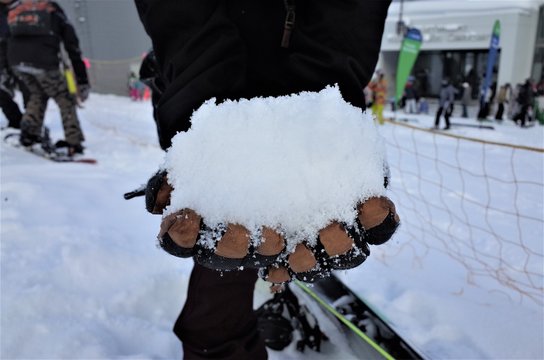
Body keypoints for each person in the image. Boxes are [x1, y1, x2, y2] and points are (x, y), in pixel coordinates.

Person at [133, 1, 394, 359]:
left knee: (266, 255)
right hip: (213, 112)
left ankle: (273, 291)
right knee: (218, 301)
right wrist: (205, 112)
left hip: (309, 106)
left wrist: (326, 112)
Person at [5, 0, 90, 155]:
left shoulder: (21, 11)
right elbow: (73, 47)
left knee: (38, 93)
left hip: (16, 62)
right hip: (43, 62)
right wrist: (83, 80)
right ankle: (73, 142)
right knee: (64, 98)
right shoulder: (55, 12)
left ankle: (29, 134)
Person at [0, 1, 23, 128]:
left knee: (28, 87)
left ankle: (33, 123)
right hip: (2, 50)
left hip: (21, 49)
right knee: (1, 89)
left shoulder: (22, 6)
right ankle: (15, 119)